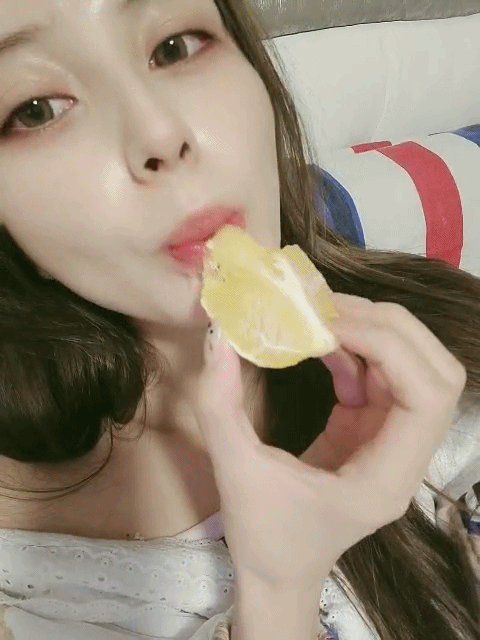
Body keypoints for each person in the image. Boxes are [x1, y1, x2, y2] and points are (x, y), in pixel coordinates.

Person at [0, 0, 479, 638]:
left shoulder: (445, 332)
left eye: (175, 46)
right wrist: (279, 591)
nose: (159, 134)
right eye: (36, 109)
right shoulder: (27, 584)